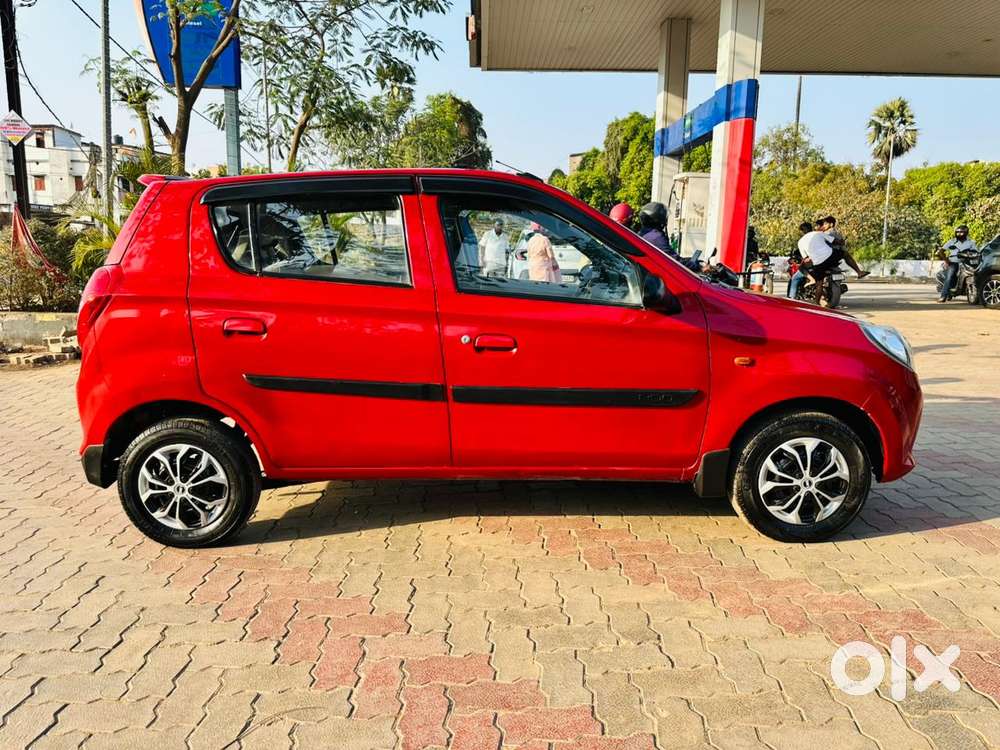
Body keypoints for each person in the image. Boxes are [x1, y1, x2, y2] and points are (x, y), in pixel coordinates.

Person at [788, 221, 838, 303]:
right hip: (830, 258)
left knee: (795, 278)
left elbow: (806, 258)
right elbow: (835, 242)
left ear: (802, 231)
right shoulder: (819, 234)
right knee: (820, 281)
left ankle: (792, 299)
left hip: (816, 264)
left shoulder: (801, 241)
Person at [938, 224, 978, 302]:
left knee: (976, 274)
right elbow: (941, 251)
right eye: (957, 232)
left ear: (966, 233)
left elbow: (976, 251)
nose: (959, 234)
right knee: (949, 276)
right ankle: (943, 296)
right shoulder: (952, 241)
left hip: (967, 262)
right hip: (953, 262)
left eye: (961, 232)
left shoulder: (971, 242)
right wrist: (946, 260)